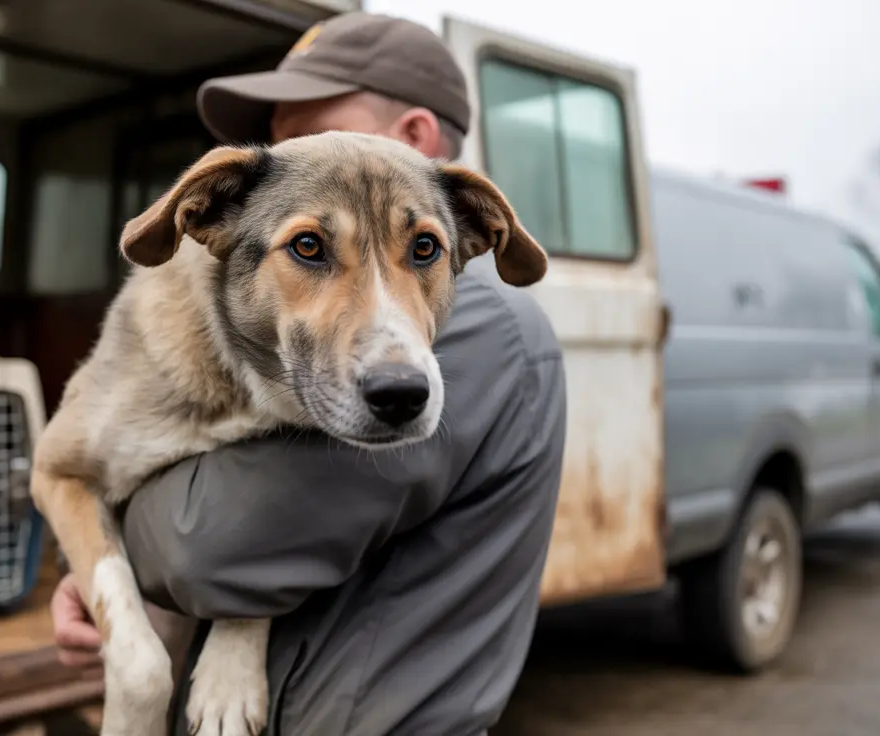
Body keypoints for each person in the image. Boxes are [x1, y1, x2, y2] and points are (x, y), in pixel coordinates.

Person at [50, 12, 568, 735]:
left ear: (412, 137)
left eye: (305, 133)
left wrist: (113, 562)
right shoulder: (236, 333)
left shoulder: (479, 325)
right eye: (277, 138)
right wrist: (100, 569)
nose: (289, 158)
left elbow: (216, 550)